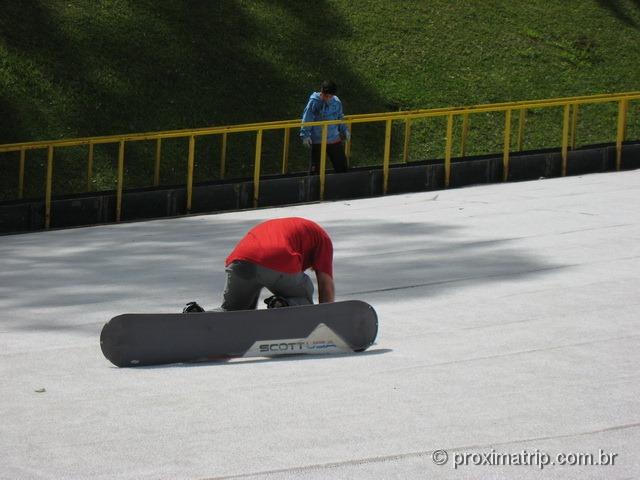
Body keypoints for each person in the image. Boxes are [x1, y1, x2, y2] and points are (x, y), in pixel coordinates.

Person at [183, 217, 335, 312]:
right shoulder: (322, 239)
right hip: (277, 257)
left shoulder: (289, 228)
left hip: (240, 260)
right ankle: (283, 305)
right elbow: (325, 284)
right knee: (304, 289)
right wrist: (328, 318)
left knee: (232, 312)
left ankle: (197, 315)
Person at [300, 80, 350, 174]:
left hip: (334, 138)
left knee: (341, 165)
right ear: (321, 92)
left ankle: (343, 185)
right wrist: (305, 135)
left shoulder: (336, 102)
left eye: (330, 96)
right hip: (318, 140)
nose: (327, 99)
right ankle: (315, 186)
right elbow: (307, 118)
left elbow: (339, 117)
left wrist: (345, 129)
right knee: (316, 169)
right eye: (326, 96)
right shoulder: (314, 102)